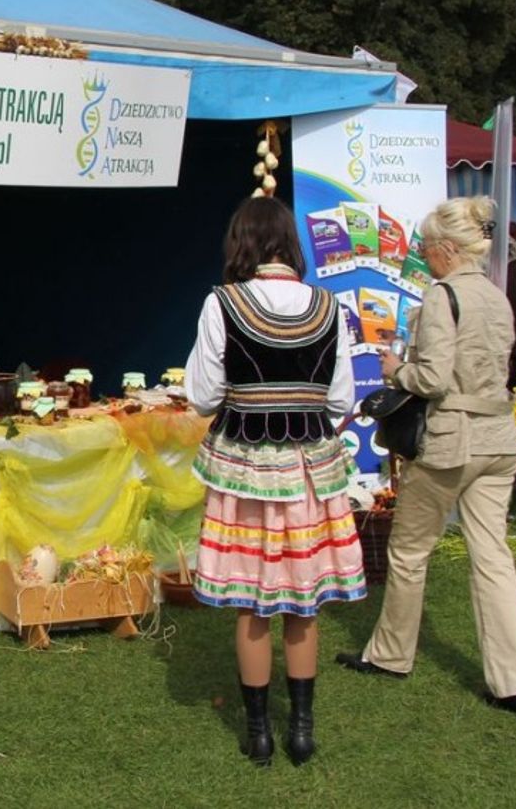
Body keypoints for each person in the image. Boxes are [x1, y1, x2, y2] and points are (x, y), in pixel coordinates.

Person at [337, 196, 516, 720]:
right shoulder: (498, 297)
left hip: (450, 439)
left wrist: (394, 368)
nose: (423, 255)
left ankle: (391, 654)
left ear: (448, 249)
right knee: (493, 557)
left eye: (426, 246)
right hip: (498, 438)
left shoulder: (442, 296)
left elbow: (432, 379)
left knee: (408, 552)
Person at [185, 196, 364, 767]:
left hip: (246, 469)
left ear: (240, 244)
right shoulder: (328, 306)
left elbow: (203, 396)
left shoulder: (223, 304)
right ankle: (302, 730)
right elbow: (339, 398)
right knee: (302, 602)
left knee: (253, 603)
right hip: (310, 467)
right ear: (289, 243)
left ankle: (260, 733)